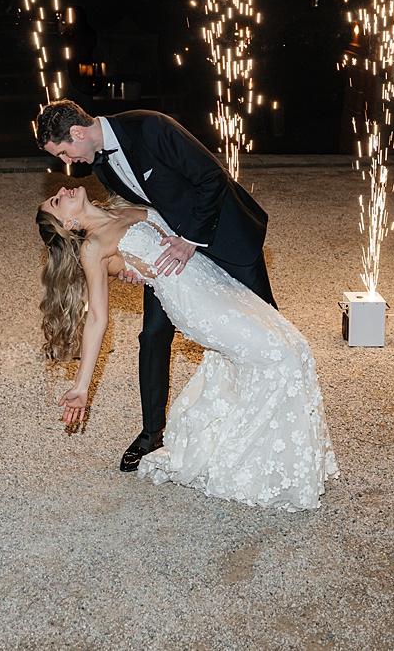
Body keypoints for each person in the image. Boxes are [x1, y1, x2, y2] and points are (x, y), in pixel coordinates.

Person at [36, 185, 339, 511]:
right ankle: (268, 467)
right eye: (57, 201)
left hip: (213, 278)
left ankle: (272, 452)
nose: (63, 190)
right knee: (282, 357)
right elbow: (97, 318)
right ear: (68, 224)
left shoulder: (120, 206)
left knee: (291, 345)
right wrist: (82, 386)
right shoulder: (93, 247)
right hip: (196, 302)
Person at [35, 100, 275, 473]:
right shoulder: (99, 161)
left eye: (65, 152)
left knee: (269, 332)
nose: (70, 163)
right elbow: (135, 215)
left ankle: (266, 424)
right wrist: (128, 263)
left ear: (78, 133)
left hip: (221, 238)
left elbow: (212, 177)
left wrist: (189, 239)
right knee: (152, 336)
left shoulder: (151, 128)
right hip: (169, 263)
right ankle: (152, 433)